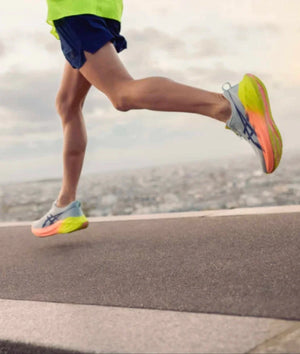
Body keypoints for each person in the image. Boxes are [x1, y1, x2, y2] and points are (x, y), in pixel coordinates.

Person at [31, 0, 283, 237]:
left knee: (120, 93)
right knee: (67, 103)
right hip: (99, 8)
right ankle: (66, 204)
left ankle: (228, 107)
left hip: (74, 10)